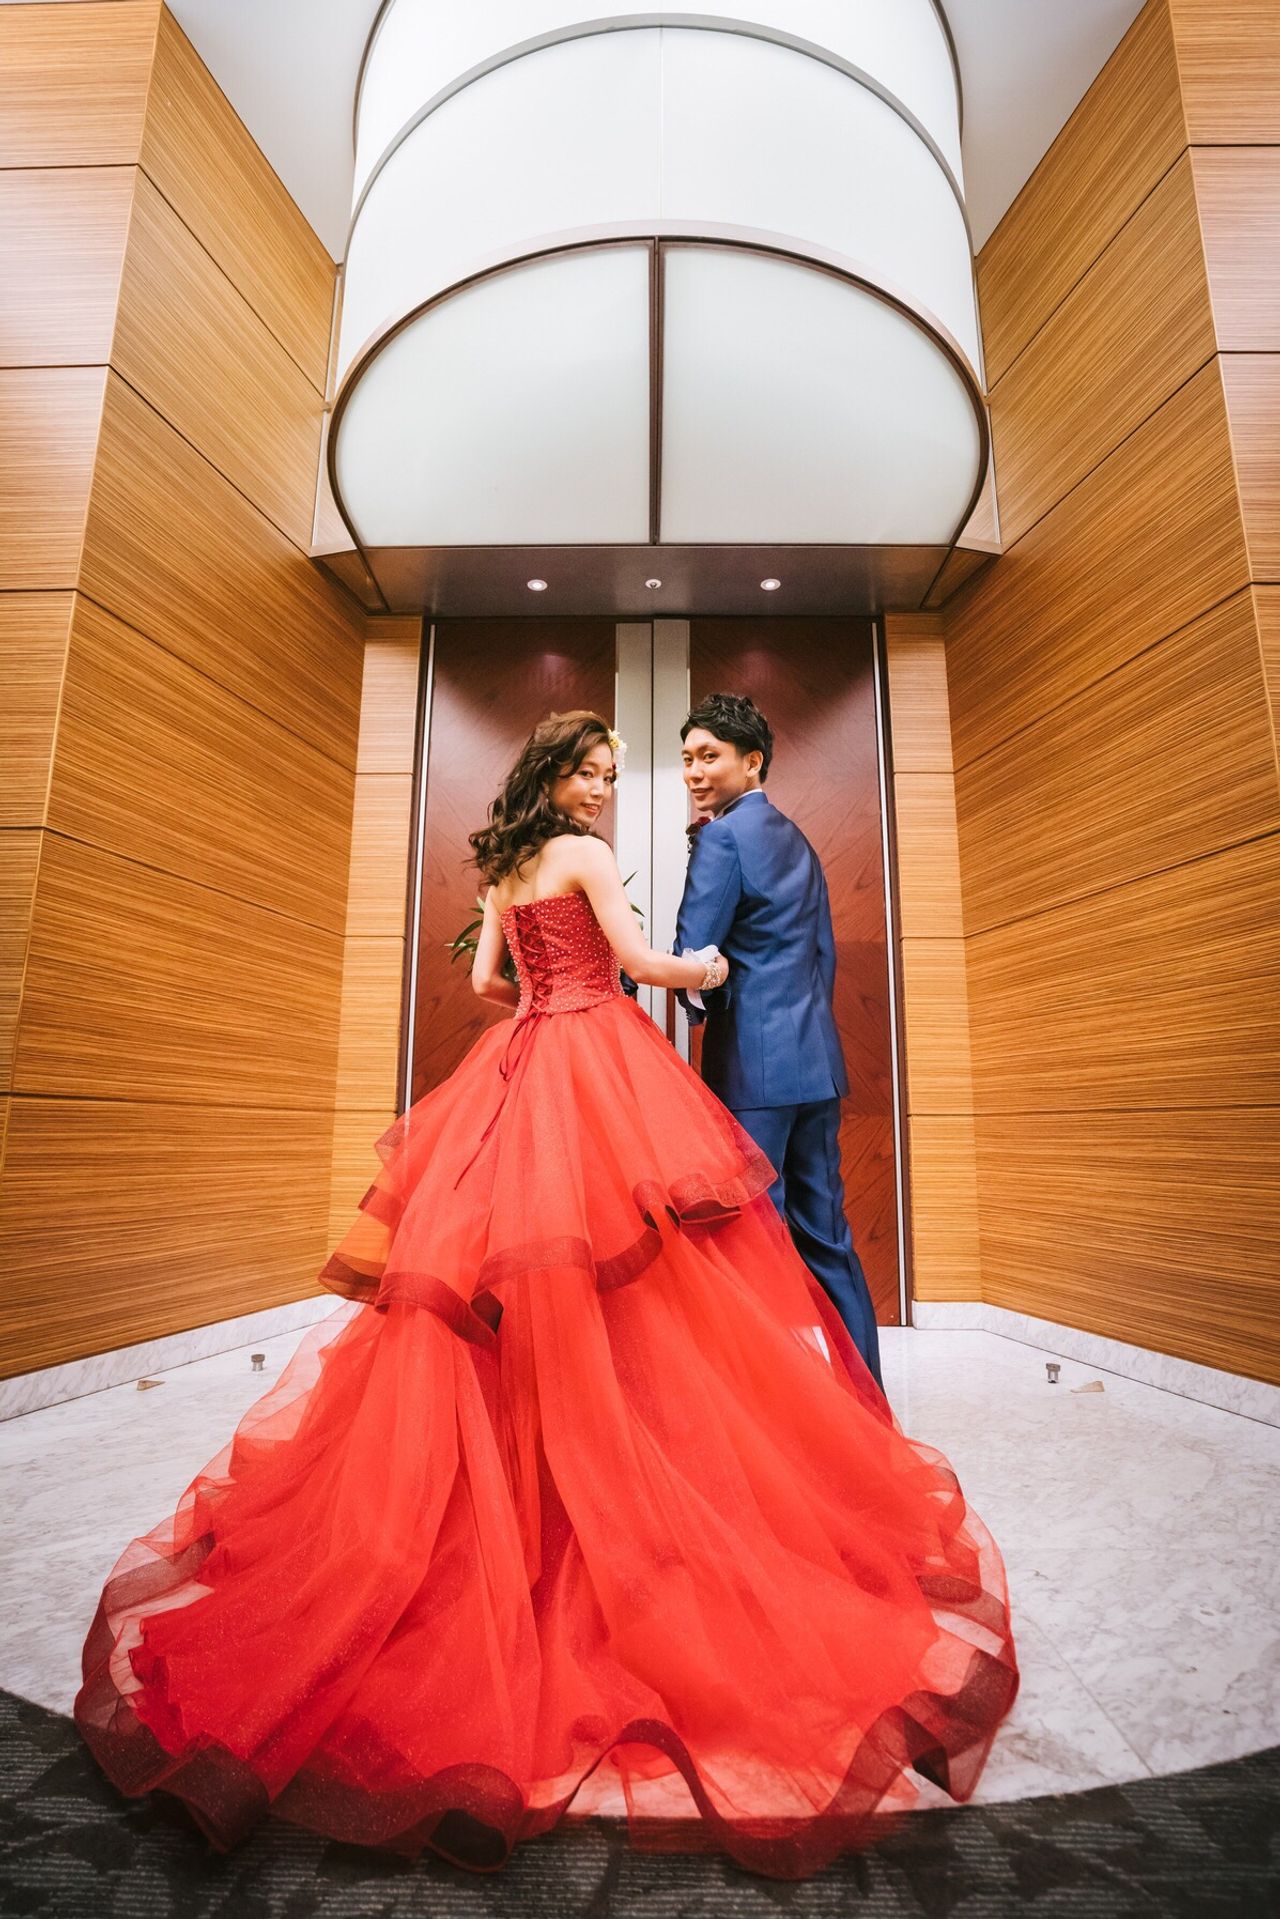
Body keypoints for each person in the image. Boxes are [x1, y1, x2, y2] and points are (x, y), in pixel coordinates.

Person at [75, 709, 1017, 1881]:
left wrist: (537, 1000)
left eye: (614, 774)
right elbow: (642, 965)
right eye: (594, 771)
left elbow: (483, 978)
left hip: (517, 1068)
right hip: (594, 1062)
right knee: (637, 1280)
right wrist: (705, 971)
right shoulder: (577, 854)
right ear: (557, 775)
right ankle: (609, 1467)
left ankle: (532, 1473)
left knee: (513, 1286)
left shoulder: (508, 862)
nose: (606, 789)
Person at [676, 693, 882, 1384]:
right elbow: (819, 952)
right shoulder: (797, 838)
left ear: (752, 760)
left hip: (753, 1072)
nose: (693, 772)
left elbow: (695, 955)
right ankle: (867, 1401)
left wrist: (686, 989)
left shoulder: (722, 838)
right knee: (828, 1240)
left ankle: (769, 1408)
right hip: (816, 1064)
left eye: (709, 756)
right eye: (686, 758)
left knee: (753, 1242)